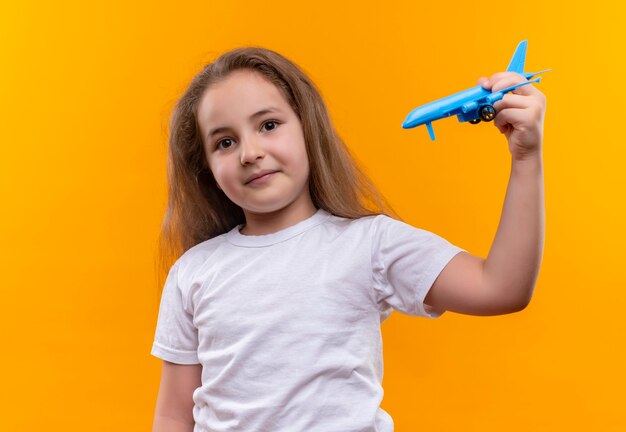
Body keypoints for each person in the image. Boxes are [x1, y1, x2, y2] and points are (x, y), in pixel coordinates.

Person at [150, 46, 546, 432]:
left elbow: (501, 288)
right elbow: (174, 417)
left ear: (308, 127)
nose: (249, 153)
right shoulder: (193, 273)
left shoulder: (369, 243)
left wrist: (526, 159)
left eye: (268, 125)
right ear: (206, 166)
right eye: (225, 142)